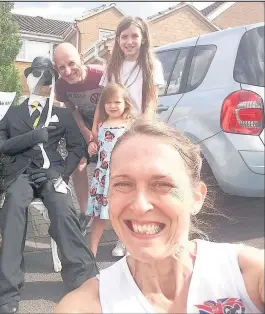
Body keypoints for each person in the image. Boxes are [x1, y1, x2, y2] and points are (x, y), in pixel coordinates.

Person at [55, 119, 264, 314]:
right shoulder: (86, 305)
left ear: (196, 197)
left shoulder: (247, 276)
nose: (140, 206)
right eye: (123, 184)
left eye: (162, 185)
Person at [0, 57, 98, 314]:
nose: (41, 80)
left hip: (51, 173)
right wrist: (32, 137)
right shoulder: (12, 112)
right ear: (27, 78)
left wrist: (60, 171)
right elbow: (2, 144)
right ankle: (6, 290)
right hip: (20, 174)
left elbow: (76, 148)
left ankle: (83, 279)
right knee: (14, 211)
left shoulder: (61, 114)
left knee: (63, 210)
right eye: (36, 74)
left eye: (46, 75)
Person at [92, 16, 165, 256]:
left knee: (136, 187)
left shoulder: (151, 64)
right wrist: (95, 129)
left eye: (134, 36)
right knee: (117, 187)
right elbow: (103, 102)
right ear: (118, 39)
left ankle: (131, 237)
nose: (129, 41)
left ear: (143, 38)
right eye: (124, 36)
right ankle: (119, 233)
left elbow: (151, 102)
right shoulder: (112, 66)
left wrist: (143, 132)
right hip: (113, 135)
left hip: (137, 132)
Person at [54, 43, 105, 234]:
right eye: (61, 67)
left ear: (81, 58)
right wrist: (84, 130)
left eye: (71, 63)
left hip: (107, 122)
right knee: (79, 163)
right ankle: (86, 213)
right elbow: (72, 109)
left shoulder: (101, 74)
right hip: (82, 123)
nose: (67, 71)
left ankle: (114, 213)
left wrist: (98, 132)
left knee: (112, 167)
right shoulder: (60, 86)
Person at [86, 83, 133, 256]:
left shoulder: (129, 125)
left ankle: (125, 244)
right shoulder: (100, 126)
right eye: (108, 102)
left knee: (123, 212)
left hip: (121, 176)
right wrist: (92, 145)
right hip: (102, 176)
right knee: (98, 215)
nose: (112, 106)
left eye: (117, 102)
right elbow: (96, 145)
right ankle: (92, 250)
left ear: (125, 104)